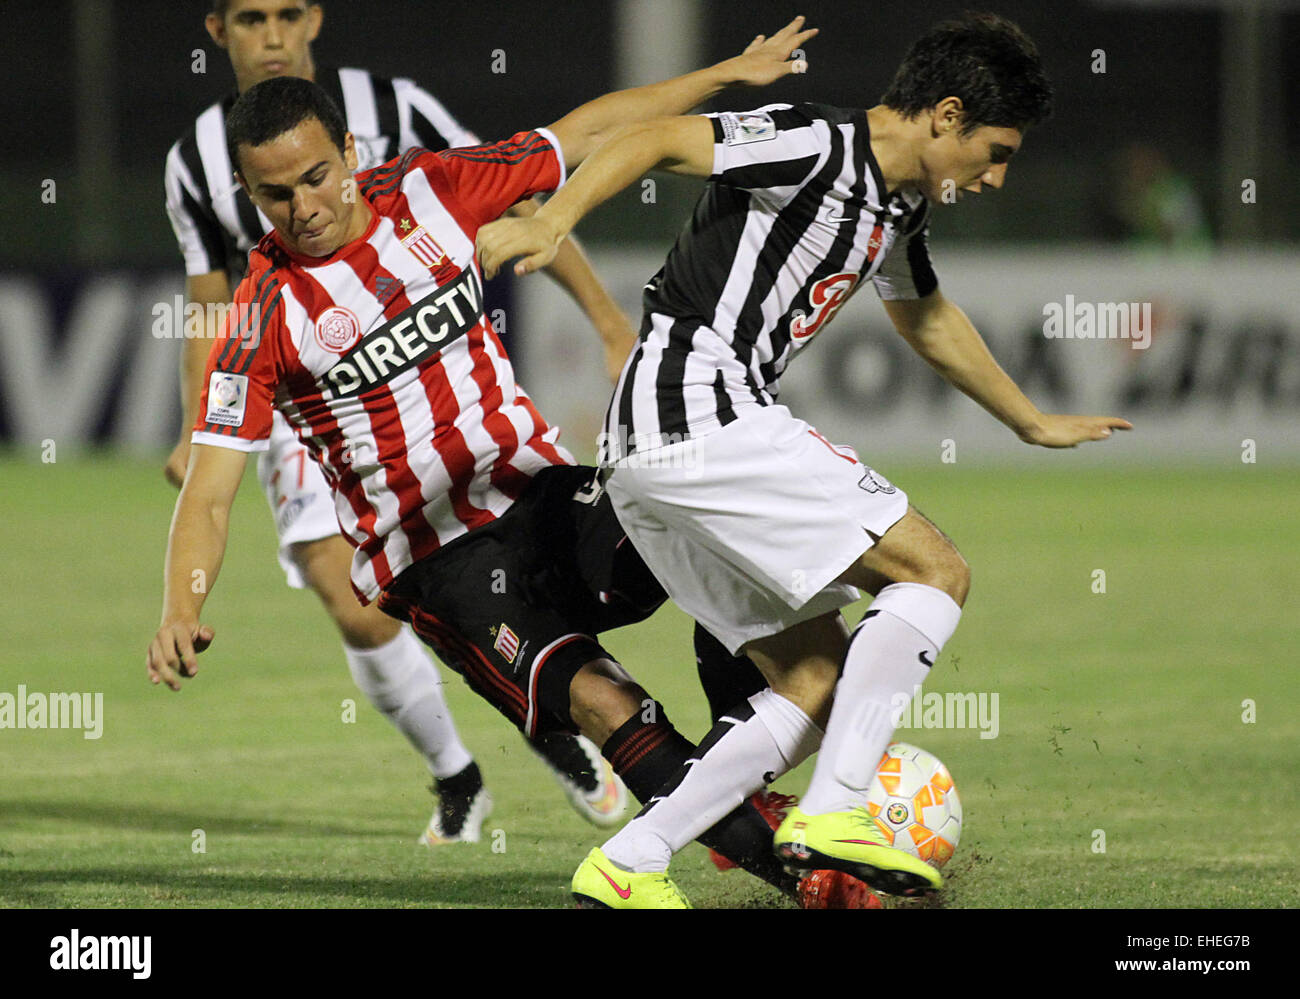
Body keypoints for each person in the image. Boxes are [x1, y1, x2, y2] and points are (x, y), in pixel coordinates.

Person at [147, 17, 880, 909]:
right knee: (608, 703)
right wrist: (181, 605)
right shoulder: (261, 316)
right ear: (245, 193)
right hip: (438, 563)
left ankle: (734, 780)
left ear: (348, 148)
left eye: (315, 176)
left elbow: (587, 131)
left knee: (709, 543)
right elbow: (214, 489)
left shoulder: (432, 188)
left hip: (541, 497)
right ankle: (807, 879)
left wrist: (727, 71)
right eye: (273, 196)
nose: (303, 209)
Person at [477, 11, 1132, 907]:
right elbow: (658, 138)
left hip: (654, 445)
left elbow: (924, 314)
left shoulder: (898, 204)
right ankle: (838, 811)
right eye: (996, 148)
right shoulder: (816, 140)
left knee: (816, 679)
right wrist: (555, 219)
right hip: (695, 404)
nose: (998, 175)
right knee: (934, 572)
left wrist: (1028, 420)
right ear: (944, 115)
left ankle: (630, 859)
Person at [162, 0, 640, 844]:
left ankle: (560, 715)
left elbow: (515, 199)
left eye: (283, 15)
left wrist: (607, 322)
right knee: (355, 605)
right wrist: (192, 420)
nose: (270, 37)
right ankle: (459, 775)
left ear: (313, 18)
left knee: (499, 563)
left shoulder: (397, 107)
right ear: (218, 32)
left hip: (413, 364)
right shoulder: (195, 162)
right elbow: (207, 303)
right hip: (292, 379)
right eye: (248, 20)